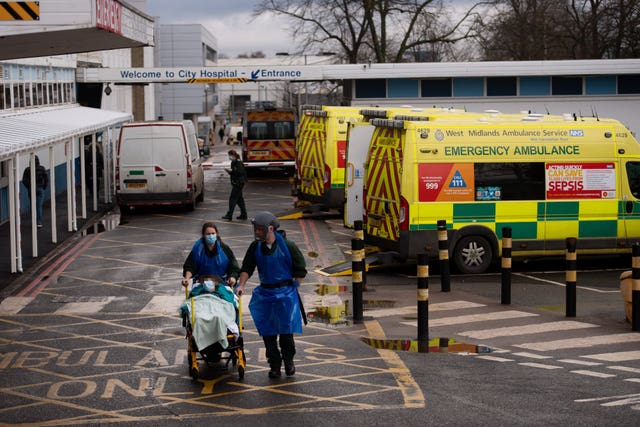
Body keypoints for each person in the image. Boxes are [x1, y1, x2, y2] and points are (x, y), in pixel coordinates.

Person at [236, 211, 307, 378]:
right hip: (265, 294)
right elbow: (247, 268)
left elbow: (300, 269)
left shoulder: (288, 246)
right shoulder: (255, 247)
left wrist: (294, 286)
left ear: (270, 229)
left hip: (286, 295)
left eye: (259, 229)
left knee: (286, 332)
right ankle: (274, 365)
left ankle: (288, 361)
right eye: (255, 229)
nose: (256, 232)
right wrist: (241, 285)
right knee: (268, 333)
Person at [182, 222, 240, 291]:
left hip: (221, 284)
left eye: (213, 233)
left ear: (216, 234)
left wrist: (232, 277)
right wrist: (187, 278)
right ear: (203, 235)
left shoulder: (224, 249)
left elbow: (233, 267)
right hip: (201, 284)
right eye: (208, 234)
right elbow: (190, 266)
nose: (211, 236)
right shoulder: (197, 249)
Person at [22, 155, 48, 228]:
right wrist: (44, 187)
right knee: (39, 206)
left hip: (31, 189)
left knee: (33, 206)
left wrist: (29, 186)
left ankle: (34, 221)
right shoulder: (42, 169)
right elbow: (46, 179)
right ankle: (38, 222)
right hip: (40, 189)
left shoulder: (27, 170)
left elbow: (24, 180)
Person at [222, 150, 248, 221]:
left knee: (232, 199)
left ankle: (229, 215)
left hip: (238, 183)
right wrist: (230, 172)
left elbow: (240, 172)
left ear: (232, 155)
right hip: (238, 182)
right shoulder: (235, 161)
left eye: (229, 155)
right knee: (240, 200)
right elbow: (237, 172)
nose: (229, 157)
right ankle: (244, 214)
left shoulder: (238, 162)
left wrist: (231, 172)